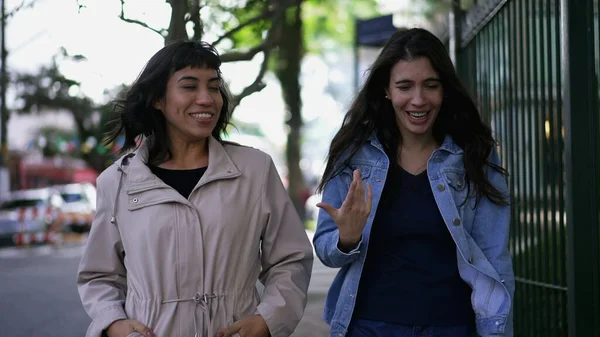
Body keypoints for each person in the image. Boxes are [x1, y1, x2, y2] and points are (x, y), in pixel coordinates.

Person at [77, 41, 313, 337]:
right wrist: (113, 323)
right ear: (158, 99)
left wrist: (268, 320)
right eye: (189, 86)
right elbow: (100, 275)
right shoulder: (117, 182)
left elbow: (290, 259)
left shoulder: (255, 169)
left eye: (213, 87)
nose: (206, 99)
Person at [313, 28, 514, 337]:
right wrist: (347, 239)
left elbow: (493, 256)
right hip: (370, 327)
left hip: (453, 327)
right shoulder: (354, 153)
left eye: (430, 86)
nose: (418, 100)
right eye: (405, 86)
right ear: (386, 90)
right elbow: (328, 250)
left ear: (444, 89)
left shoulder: (476, 154)